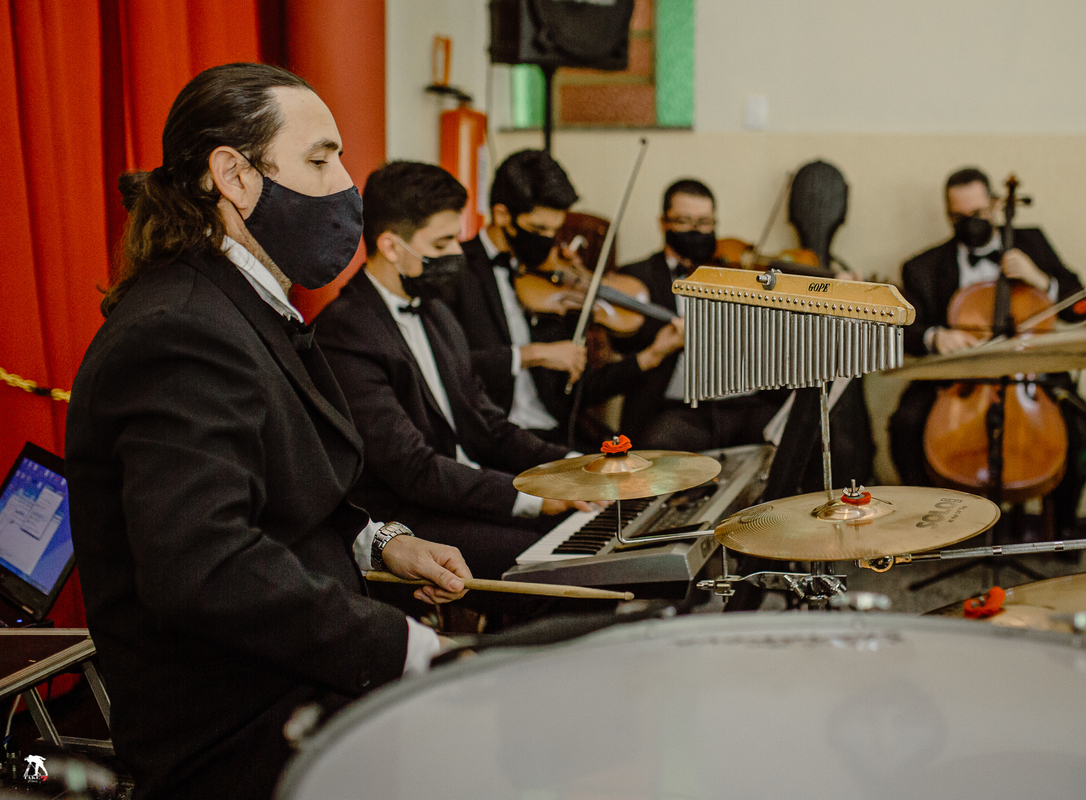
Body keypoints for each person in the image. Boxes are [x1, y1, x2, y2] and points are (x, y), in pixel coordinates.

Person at [64, 64, 470, 800]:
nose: (346, 185)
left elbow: (278, 491)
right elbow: (206, 565)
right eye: (321, 159)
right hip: (236, 736)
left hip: (286, 689)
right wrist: (402, 645)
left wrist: (380, 542)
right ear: (236, 176)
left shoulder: (239, 305)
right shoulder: (181, 330)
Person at [315, 160, 599, 583]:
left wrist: (575, 469)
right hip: (405, 522)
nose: (457, 253)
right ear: (392, 247)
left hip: (461, 495)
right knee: (560, 570)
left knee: (595, 539)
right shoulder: (345, 331)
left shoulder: (438, 315)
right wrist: (535, 497)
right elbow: (413, 468)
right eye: (444, 241)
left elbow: (489, 426)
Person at [888, 167, 1086, 526]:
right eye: (959, 217)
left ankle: (1063, 530)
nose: (970, 223)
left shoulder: (1033, 243)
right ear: (949, 214)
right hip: (957, 381)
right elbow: (905, 326)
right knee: (905, 422)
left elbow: (1078, 306)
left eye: (978, 214)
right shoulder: (923, 266)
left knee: (1077, 426)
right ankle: (928, 528)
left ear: (996, 207)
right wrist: (936, 335)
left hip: (1032, 376)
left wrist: (1040, 279)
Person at [451, 149, 684, 448]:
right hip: (496, 441)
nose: (549, 242)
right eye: (538, 229)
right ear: (502, 215)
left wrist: (651, 356)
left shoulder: (553, 284)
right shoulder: (458, 272)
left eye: (555, 230)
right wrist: (533, 354)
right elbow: (449, 367)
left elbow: (577, 392)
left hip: (557, 435)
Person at [614, 179, 788, 453]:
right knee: (657, 450)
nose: (696, 231)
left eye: (705, 223)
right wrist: (662, 344)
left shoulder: (737, 272)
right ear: (664, 223)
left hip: (748, 404)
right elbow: (620, 345)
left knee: (826, 443)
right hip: (680, 409)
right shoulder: (635, 277)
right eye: (684, 221)